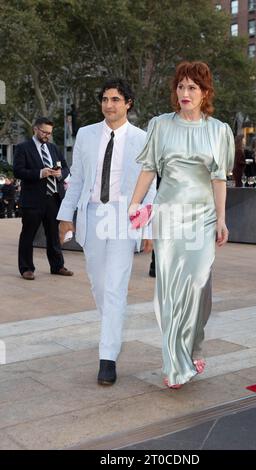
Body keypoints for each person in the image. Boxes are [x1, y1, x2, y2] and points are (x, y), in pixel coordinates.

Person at [129, 61, 234, 388]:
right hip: (169, 217)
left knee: (198, 283)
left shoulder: (218, 130)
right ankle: (176, 362)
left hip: (202, 217)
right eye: (181, 86)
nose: (185, 93)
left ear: (205, 93)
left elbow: (218, 179)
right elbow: (148, 169)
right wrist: (136, 203)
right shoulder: (160, 125)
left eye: (193, 87)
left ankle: (195, 342)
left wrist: (221, 219)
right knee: (171, 290)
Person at [57, 78, 156, 386]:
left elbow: (150, 186)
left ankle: (107, 358)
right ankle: (110, 328)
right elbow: (77, 178)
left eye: (115, 99)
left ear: (128, 103)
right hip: (92, 215)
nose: (109, 104)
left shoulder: (142, 138)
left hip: (123, 217)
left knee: (115, 287)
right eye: (104, 99)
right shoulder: (86, 135)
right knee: (100, 286)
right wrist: (66, 215)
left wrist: (148, 228)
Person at [13, 117, 73, 280]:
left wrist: (60, 173)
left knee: (54, 235)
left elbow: (66, 168)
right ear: (35, 129)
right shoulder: (22, 148)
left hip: (53, 198)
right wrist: (41, 173)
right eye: (44, 132)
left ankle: (57, 266)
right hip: (32, 200)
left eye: (49, 133)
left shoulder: (53, 148)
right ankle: (26, 268)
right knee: (28, 235)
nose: (47, 135)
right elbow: (18, 171)